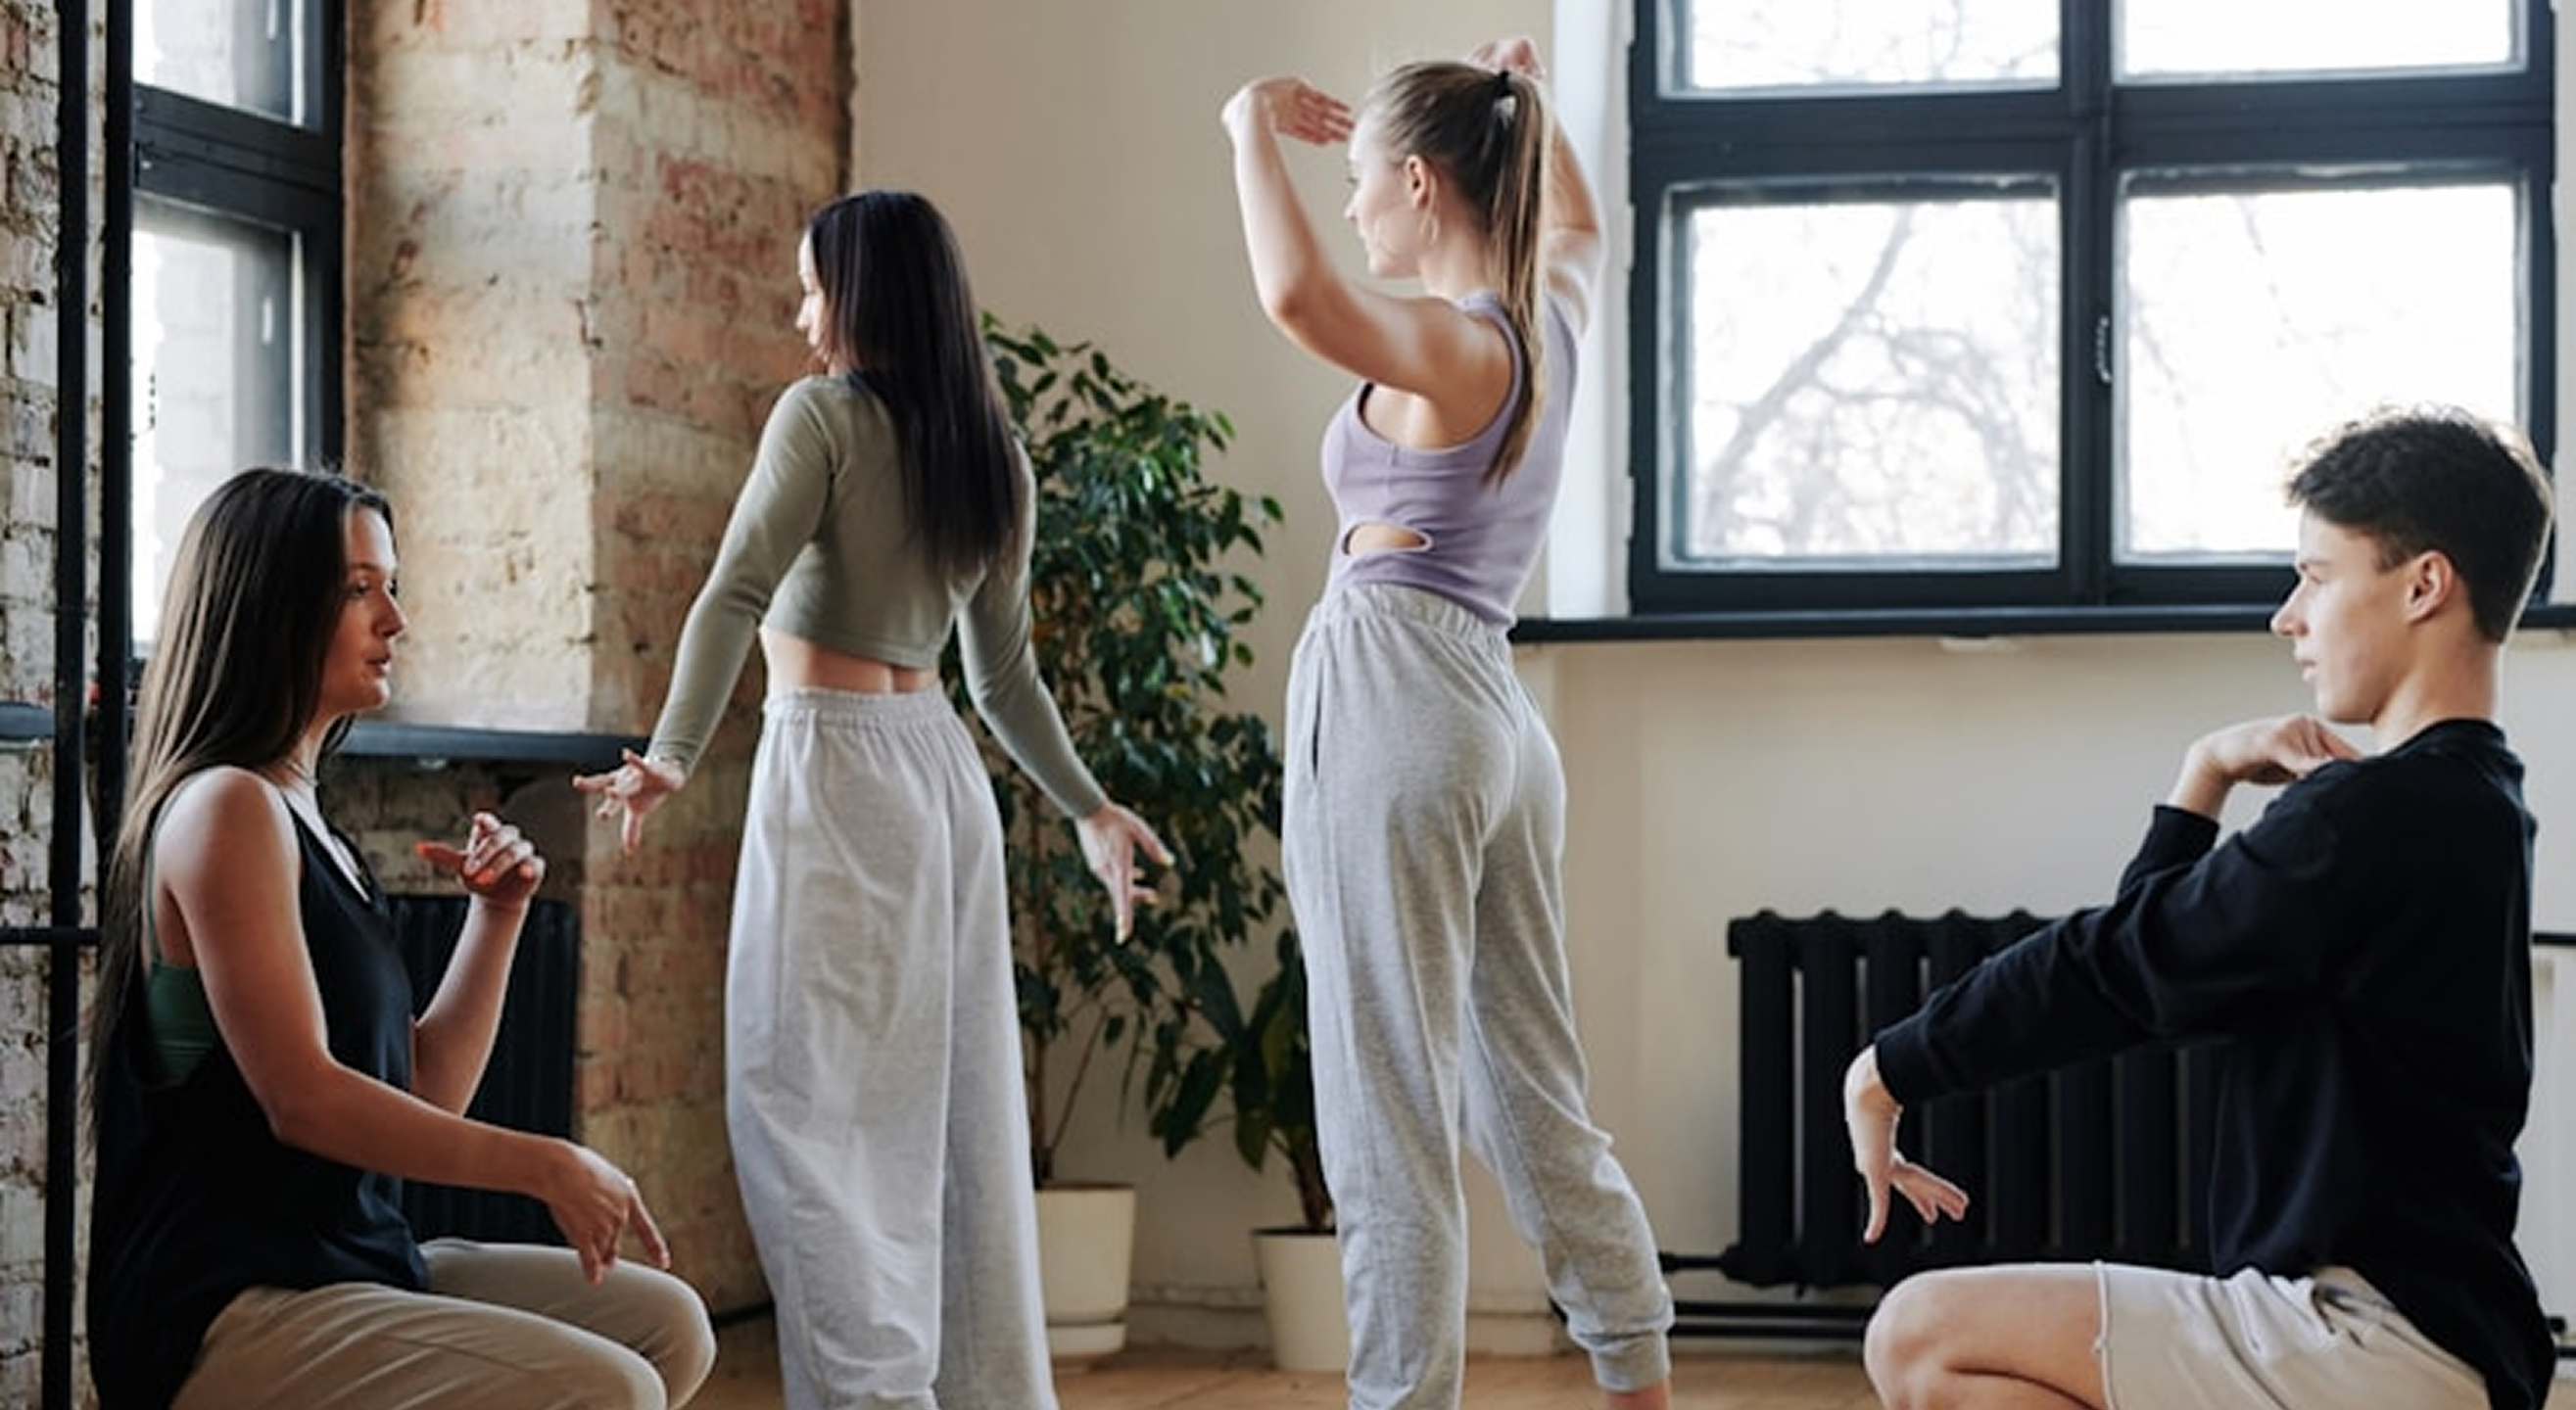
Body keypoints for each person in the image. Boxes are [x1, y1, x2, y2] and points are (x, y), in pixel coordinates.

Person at [572, 189, 1170, 1410]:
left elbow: (734, 590)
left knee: (800, 1113)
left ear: (865, 293)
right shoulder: (989, 450)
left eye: (812, 288)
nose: (802, 319)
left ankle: (873, 1394)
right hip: (941, 781)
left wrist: (675, 752)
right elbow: (1000, 681)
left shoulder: (824, 418)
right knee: (941, 1119)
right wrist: (1089, 808)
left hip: (837, 771)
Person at [1842, 406, 2559, 1410]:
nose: (2287, 616)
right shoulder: (2471, 800)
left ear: (2421, 584)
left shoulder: (2375, 814)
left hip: (2361, 1339)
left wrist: (1887, 1069)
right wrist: (2203, 776)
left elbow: (2120, 966)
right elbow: (2171, 970)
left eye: (2314, 575)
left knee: (1920, 1336)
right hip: (2423, 1338)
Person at [1221, 36, 1675, 1410]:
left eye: (1361, 182)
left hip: (1396, 690)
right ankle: (1637, 1377)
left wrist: (1246, 127)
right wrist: (1531, 102)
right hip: (1489, 707)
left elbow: (1296, 297)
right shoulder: (1552, 318)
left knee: (1384, 1106)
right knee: (1526, 1090)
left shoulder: (1453, 344)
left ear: (1419, 183)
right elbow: (1586, 221)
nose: (1353, 210)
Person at [85, 467, 715, 1410]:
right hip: (229, 1306)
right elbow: (302, 1100)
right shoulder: (225, 807)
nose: (395, 619)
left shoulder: (307, 819)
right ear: (266, 607)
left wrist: (496, 916)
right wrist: (544, 1161)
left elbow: (415, 1093)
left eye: (393, 585)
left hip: (344, 1263)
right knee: (609, 1388)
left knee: (667, 1326)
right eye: (357, 588)